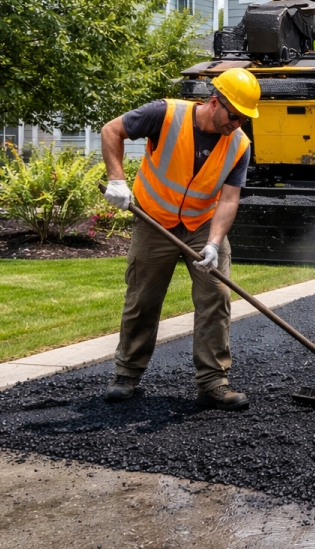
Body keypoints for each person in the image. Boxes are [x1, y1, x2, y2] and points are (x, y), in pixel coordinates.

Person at [98, 68, 260, 411]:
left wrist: (215, 243)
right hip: (153, 219)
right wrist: (116, 180)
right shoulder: (165, 114)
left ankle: (213, 382)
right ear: (214, 102)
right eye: (234, 116)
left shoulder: (240, 145)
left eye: (244, 119)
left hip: (202, 224)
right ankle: (127, 373)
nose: (237, 125)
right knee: (142, 297)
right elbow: (112, 130)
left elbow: (229, 199)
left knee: (216, 297)